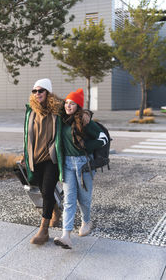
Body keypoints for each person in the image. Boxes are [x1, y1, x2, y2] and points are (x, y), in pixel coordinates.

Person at [54, 88, 108, 249]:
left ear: (78, 106)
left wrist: (87, 145)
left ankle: (86, 221)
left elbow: (103, 138)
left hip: (84, 164)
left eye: (72, 103)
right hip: (67, 165)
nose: (68, 106)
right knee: (69, 200)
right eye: (67, 103)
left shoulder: (85, 122)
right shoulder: (62, 120)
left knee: (84, 199)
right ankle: (66, 235)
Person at [23, 78, 63, 245]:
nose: (37, 93)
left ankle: (43, 230)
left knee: (47, 191)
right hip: (35, 159)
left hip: (51, 159)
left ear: (48, 92)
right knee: (43, 190)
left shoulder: (58, 110)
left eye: (41, 90)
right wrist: (25, 154)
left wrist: (85, 115)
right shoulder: (30, 111)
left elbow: (77, 110)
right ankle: (55, 211)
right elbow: (27, 135)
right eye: (35, 91)